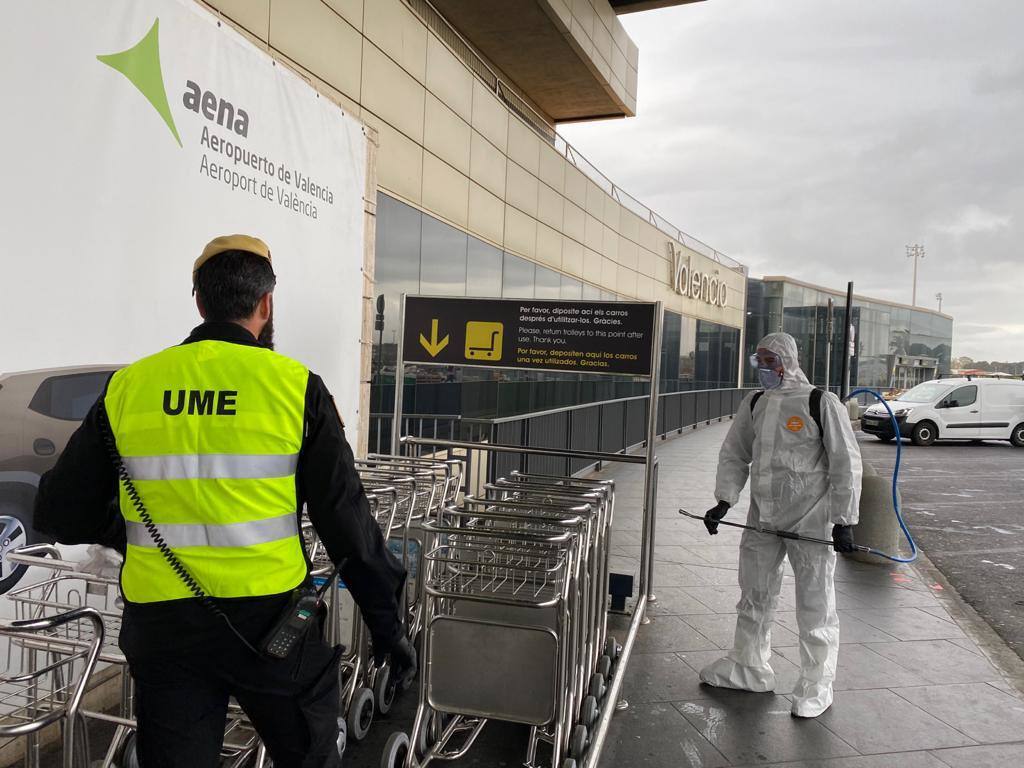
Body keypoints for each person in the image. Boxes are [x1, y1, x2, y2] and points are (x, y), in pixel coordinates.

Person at [34, 235, 416, 767]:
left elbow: (58, 512)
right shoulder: (296, 388)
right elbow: (348, 526)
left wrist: (133, 534)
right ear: (266, 304)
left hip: (165, 632)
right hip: (275, 629)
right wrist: (389, 628)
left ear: (199, 303)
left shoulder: (129, 387)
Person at [698, 332, 861, 718]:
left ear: (787, 360)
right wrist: (724, 500)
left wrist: (845, 520)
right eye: (759, 361)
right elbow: (734, 452)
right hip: (762, 519)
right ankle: (749, 667)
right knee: (753, 594)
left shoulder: (821, 403)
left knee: (815, 604)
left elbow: (845, 463)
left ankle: (817, 684)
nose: (763, 368)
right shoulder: (755, 403)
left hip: (811, 520)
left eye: (769, 360)